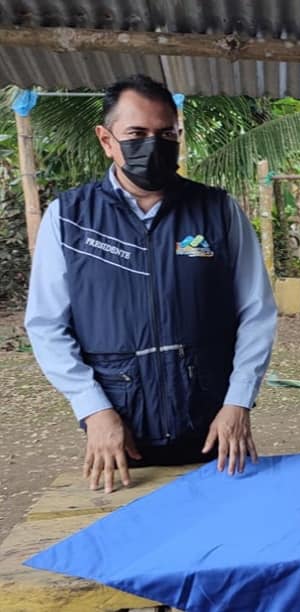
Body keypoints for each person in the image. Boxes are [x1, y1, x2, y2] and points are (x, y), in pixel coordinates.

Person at [24, 75, 277, 492]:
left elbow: (257, 312)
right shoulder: (69, 218)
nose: (153, 145)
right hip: (119, 433)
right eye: (137, 134)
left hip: (214, 426)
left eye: (166, 134)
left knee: (222, 521)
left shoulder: (217, 211)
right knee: (130, 526)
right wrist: (92, 409)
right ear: (106, 140)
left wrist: (238, 401)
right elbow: (47, 324)